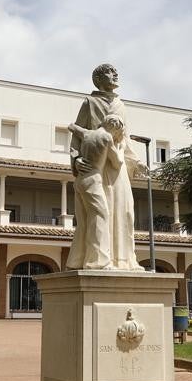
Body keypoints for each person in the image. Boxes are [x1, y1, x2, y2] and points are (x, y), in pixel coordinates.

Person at [65, 64, 143, 270]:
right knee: (100, 214)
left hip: (118, 170)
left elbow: (126, 139)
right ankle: (97, 260)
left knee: (124, 213)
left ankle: (124, 260)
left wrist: (137, 161)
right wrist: (75, 159)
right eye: (110, 72)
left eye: (116, 71)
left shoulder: (121, 105)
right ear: (99, 78)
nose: (116, 74)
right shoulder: (89, 102)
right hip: (96, 169)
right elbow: (77, 136)